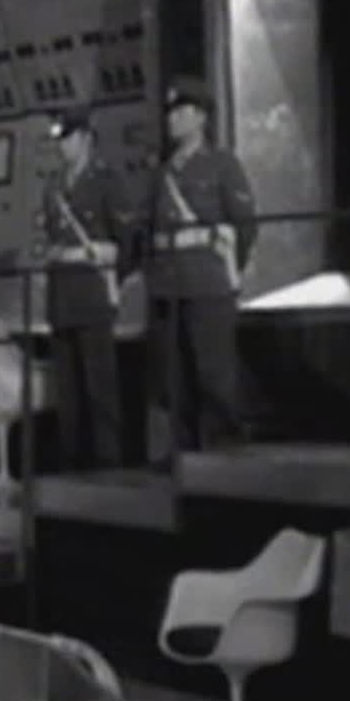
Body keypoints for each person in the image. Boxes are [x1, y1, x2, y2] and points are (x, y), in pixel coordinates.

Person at [145, 76, 258, 455]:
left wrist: (226, 271)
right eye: (170, 112)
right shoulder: (163, 173)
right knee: (174, 380)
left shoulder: (222, 165)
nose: (172, 118)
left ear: (201, 117)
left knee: (214, 375)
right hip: (169, 286)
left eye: (181, 111)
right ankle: (184, 455)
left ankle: (226, 453)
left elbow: (244, 225)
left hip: (208, 285)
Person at [41, 105, 133, 471]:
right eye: (58, 139)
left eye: (67, 138)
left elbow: (125, 241)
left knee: (100, 389)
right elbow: (50, 239)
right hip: (62, 296)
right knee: (68, 393)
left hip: (93, 296)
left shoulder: (106, 181)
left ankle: (108, 465)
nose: (61, 146)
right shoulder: (54, 187)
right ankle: (72, 463)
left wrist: (105, 253)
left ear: (84, 138)